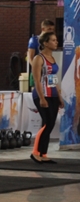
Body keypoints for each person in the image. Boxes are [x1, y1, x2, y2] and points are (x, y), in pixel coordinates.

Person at [31, 30, 61, 163]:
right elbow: (37, 80)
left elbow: (54, 79)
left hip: (53, 94)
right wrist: (42, 98)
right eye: (53, 40)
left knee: (50, 123)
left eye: (56, 40)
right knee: (47, 123)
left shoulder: (53, 59)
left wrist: (59, 97)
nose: (56, 42)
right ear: (45, 43)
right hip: (42, 94)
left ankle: (43, 153)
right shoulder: (39, 58)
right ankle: (35, 152)